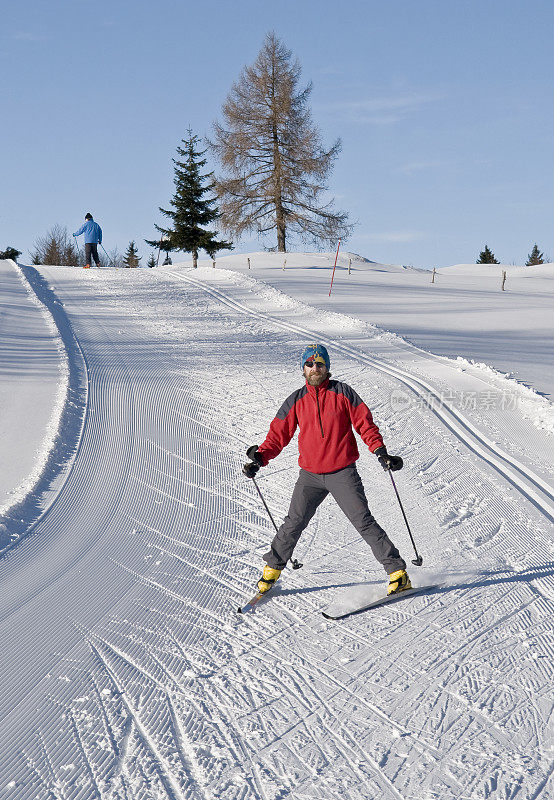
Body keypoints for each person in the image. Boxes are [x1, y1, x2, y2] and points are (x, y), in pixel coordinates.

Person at [243, 344, 411, 596]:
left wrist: (381, 452)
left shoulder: (343, 393)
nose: (314, 369)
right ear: (303, 369)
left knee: (363, 521)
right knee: (293, 523)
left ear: (327, 367)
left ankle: (398, 574)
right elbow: (278, 435)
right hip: (310, 476)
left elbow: (365, 424)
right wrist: (260, 459)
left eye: (319, 364)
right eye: (309, 364)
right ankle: (271, 570)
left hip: (342, 472)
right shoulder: (296, 400)